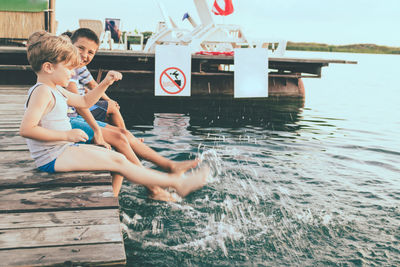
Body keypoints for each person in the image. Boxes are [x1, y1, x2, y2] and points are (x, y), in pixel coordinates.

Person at [20, 31, 209, 201]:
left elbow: (85, 102)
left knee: (118, 157)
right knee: (118, 161)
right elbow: (27, 129)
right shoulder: (42, 92)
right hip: (53, 157)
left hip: (63, 150)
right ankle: (174, 183)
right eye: (68, 68)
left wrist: (106, 83)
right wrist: (66, 135)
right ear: (48, 67)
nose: (71, 74)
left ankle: (142, 190)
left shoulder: (56, 90)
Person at [65, 28, 200, 199]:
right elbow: (80, 104)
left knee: (122, 135)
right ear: (70, 45)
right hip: (68, 122)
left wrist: (108, 100)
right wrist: (98, 131)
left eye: (90, 52)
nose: (84, 55)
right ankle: (153, 188)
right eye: (80, 48)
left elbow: (88, 91)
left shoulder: (76, 67)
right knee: (120, 141)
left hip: (75, 118)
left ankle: (169, 167)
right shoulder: (67, 70)